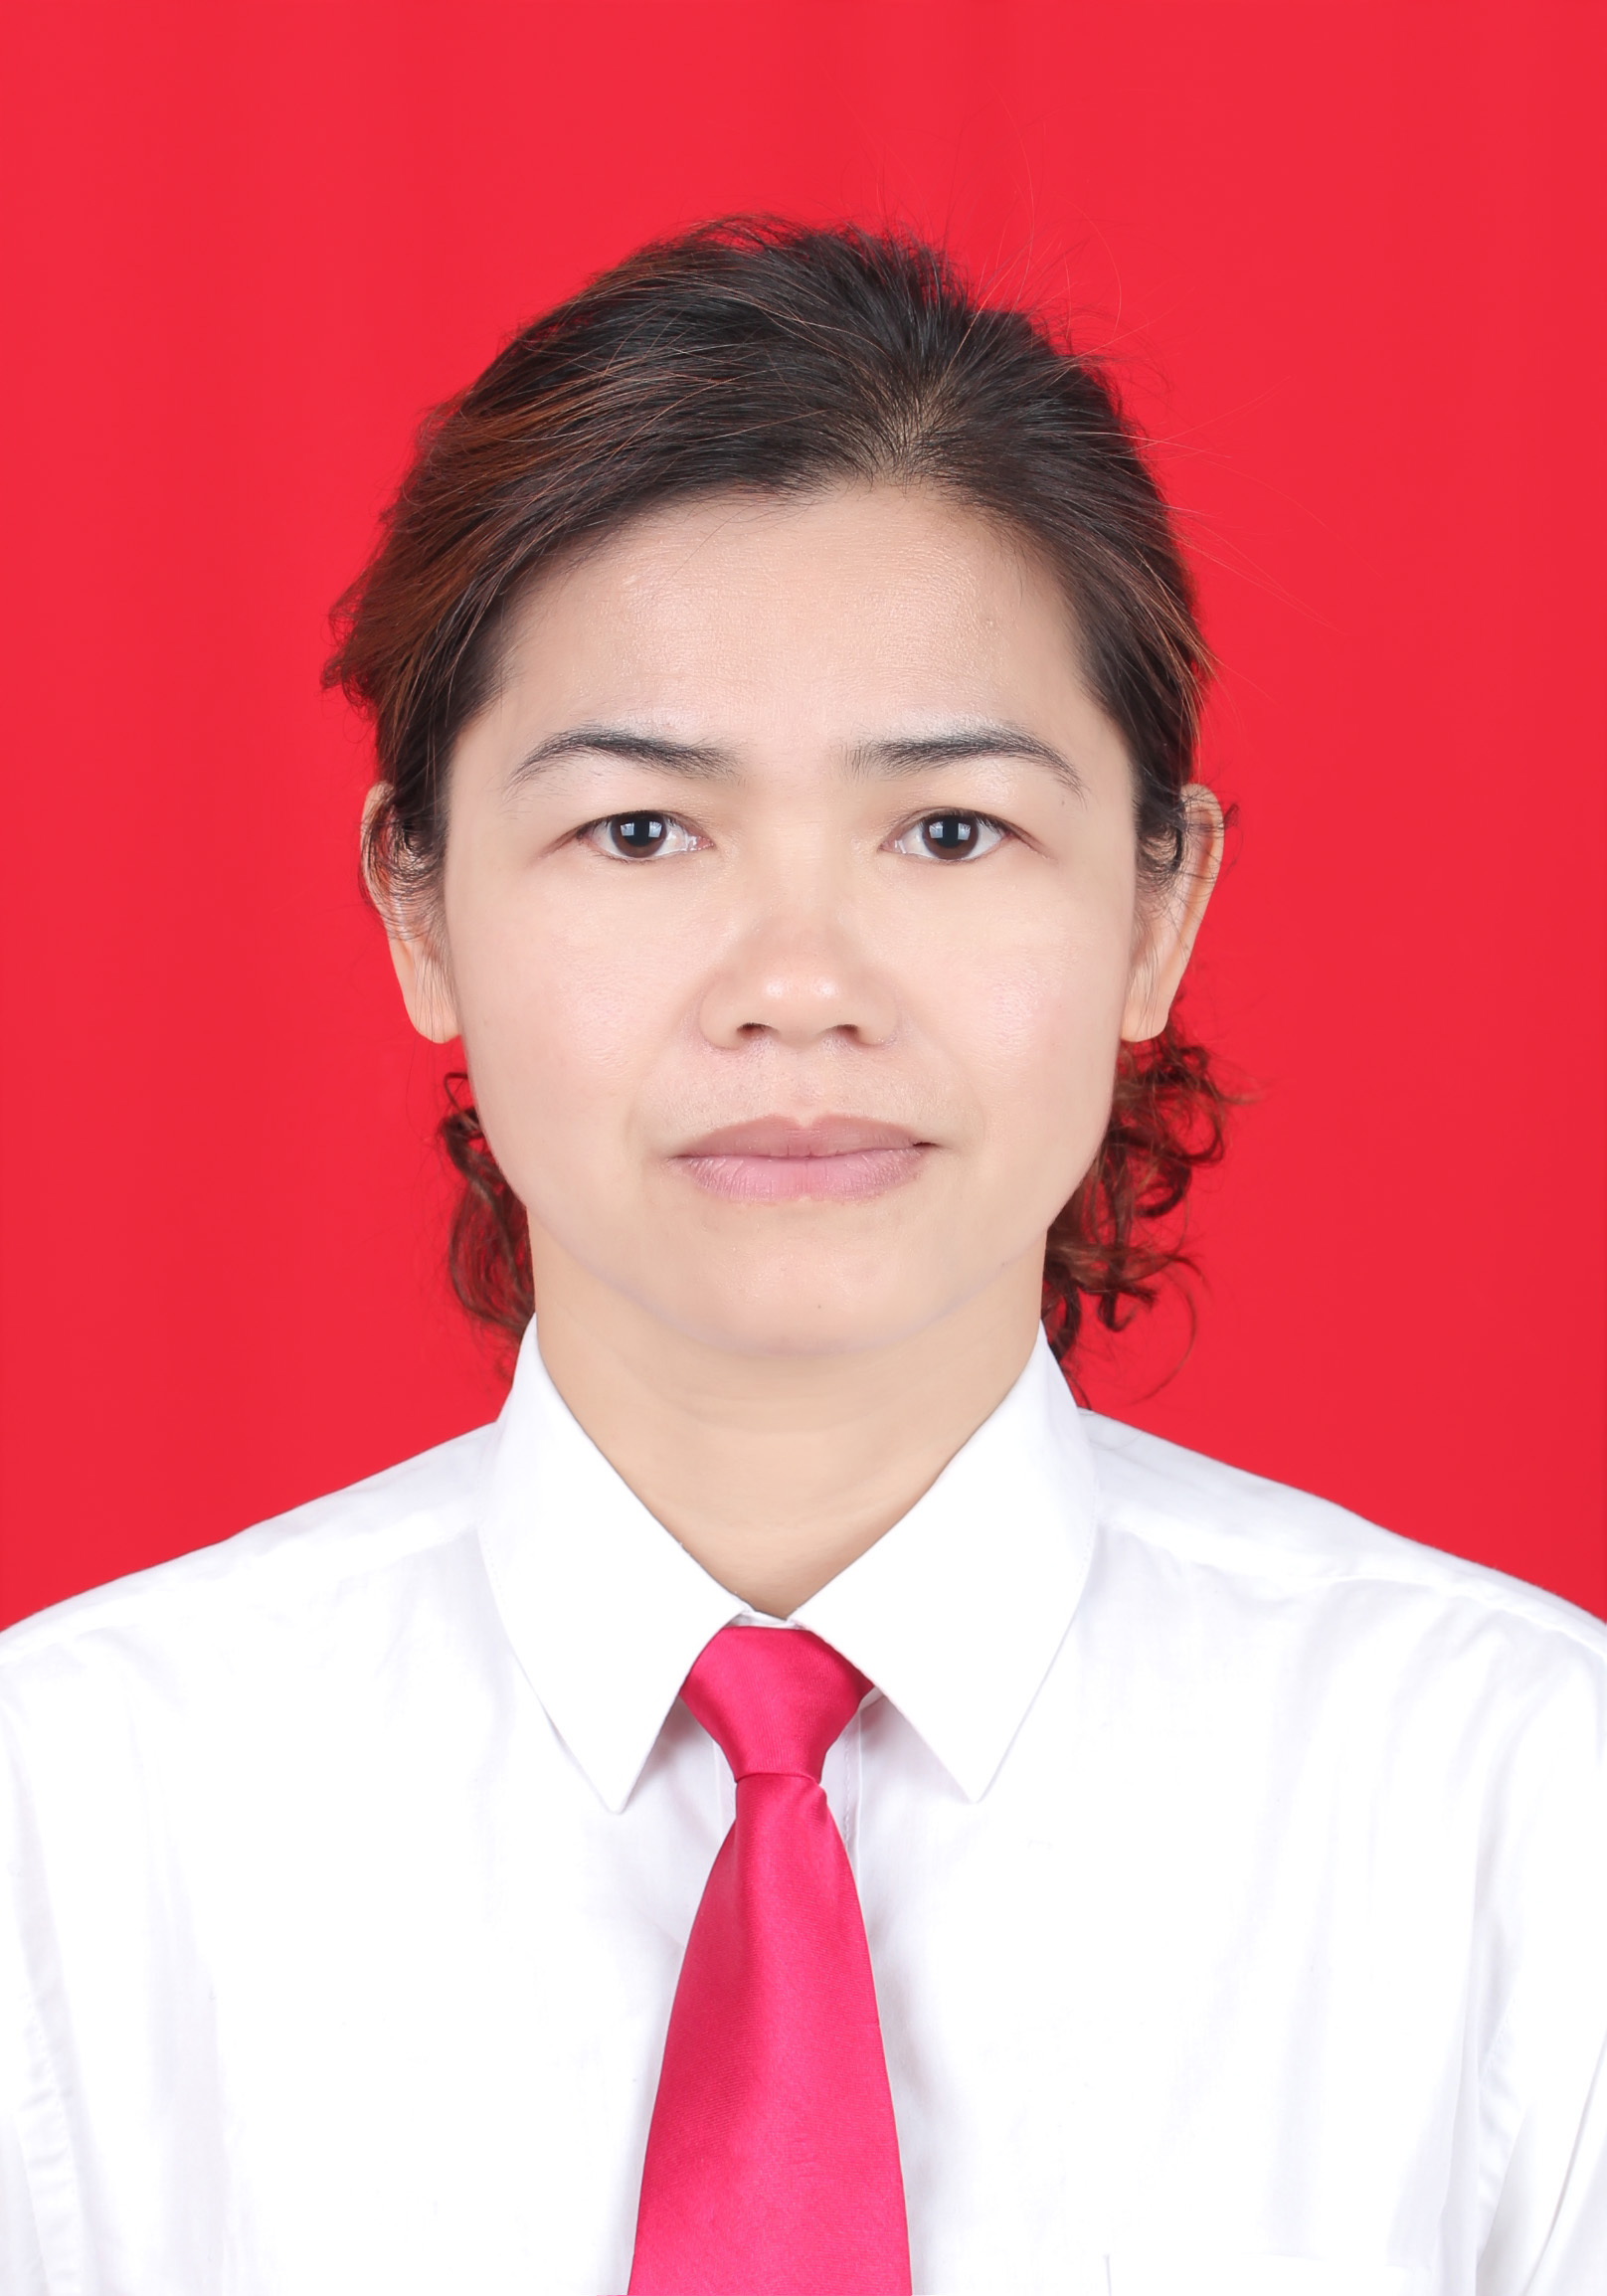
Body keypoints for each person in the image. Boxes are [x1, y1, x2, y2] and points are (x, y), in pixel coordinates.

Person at [1, 221, 1602, 2296]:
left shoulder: (1520, 1811)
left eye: (947, 831)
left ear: (1156, 909)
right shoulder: (71, 1822)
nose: (797, 983)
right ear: (418, 903)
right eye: (639, 832)